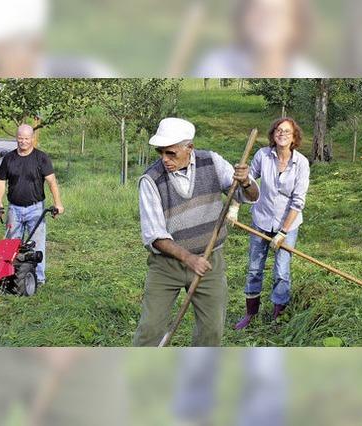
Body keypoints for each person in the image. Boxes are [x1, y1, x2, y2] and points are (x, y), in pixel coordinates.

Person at [134, 117, 259, 346]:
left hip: (209, 261)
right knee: (150, 329)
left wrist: (246, 182)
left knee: (211, 330)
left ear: (189, 148)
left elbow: (248, 196)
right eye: (161, 152)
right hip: (167, 266)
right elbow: (155, 235)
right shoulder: (150, 180)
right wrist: (189, 259)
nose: (165, 159)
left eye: (171, 153)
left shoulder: (212, 162)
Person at [233, 117, 310, 329]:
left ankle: (279, 314)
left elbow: (298, 202)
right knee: (254, 268)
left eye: (287, 131)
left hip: (288, 225)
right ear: (273, 135)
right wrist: (235, 206)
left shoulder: (301, 163)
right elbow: (247, 183)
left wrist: (283, 232)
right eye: (278, 130)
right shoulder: (262, 156)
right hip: (261, 221)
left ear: (294, 137)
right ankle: (250, 314)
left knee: (282, 271)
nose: (282, 134)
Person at [0, 124, 64, 286]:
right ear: (16, 138)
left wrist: (58, 203)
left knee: (37, 244)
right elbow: (1, 181)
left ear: (32, 139)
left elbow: (51, 181)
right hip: (14, 208)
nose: (23, 142)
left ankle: (38, 278)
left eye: (26, 138)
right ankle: (11, 275)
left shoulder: (41, 158)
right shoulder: (9, 158)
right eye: (20, 138)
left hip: (36, 208)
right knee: (11, 244)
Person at [193, 0, 324, 77]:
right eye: (258, 10)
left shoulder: (312, 74)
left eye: (278, 13)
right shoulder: (214, 65)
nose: (267, 19)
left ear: (296, 25)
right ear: (243, 17)